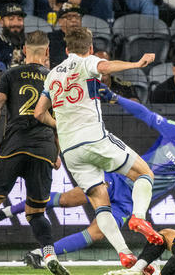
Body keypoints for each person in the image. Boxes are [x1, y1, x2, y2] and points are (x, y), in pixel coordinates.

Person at [10, 90, 175, 268]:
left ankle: (40, 254)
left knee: (96, 234)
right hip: (118, 179)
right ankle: (8, 210)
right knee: (68, 200)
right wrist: (114, 97)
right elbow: (144, 113)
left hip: (130, 203)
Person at [34, 27, 162, 268]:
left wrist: (60, 125)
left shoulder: (51, 75)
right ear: (90, 49)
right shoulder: (87, 62)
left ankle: (124, 253)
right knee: (144, 173)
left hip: (70, 151)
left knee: (99, 202)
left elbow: (38, 112)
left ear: (67, 49)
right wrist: (136, 64)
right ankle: (139, 218)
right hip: (94, 138)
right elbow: (104, 67)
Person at [0, 30, 69, 275]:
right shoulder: (54, 78)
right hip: (44, 149)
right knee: (36, 212)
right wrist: (56, 152)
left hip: (14, 146)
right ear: (47, 52)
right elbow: (60, 118)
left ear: (24, 51)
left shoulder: (9, 74)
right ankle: (48, 254)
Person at [48, 2, 83, 69]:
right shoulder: (50, 39)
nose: (74, 20)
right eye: (69, 17)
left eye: (77, 16)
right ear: (60, 21)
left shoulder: (87, 38)